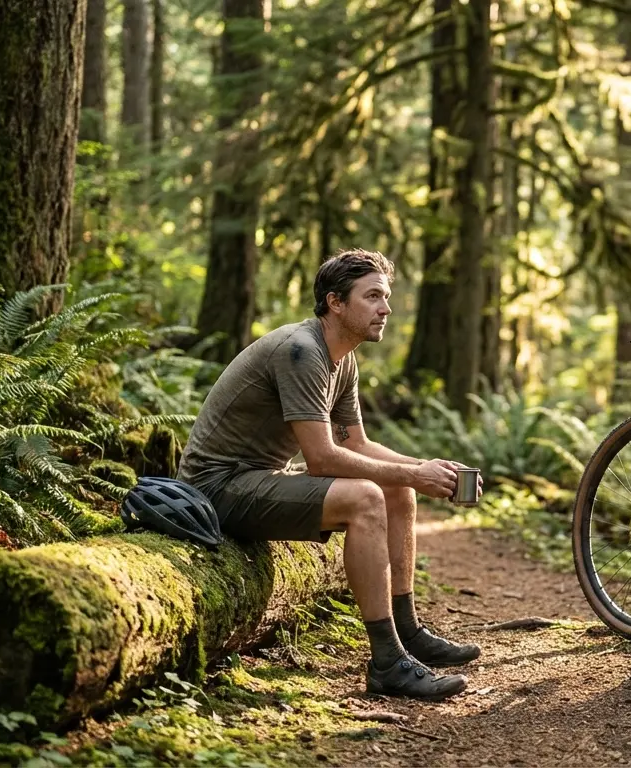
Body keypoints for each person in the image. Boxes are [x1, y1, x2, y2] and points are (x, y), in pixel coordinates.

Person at [177, 248, 480, 700]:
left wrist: (419, 469)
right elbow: (322, 458)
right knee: (366, 498)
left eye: (387, 296)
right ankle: (387, 663)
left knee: (397, 491)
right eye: (373, 296)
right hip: (216, 487)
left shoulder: (344, 358)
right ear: (335, 302)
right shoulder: (301, 352)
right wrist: (413, 474)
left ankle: (407, 631)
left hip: (260, 476)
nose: (386, 308)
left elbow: (355, 444)